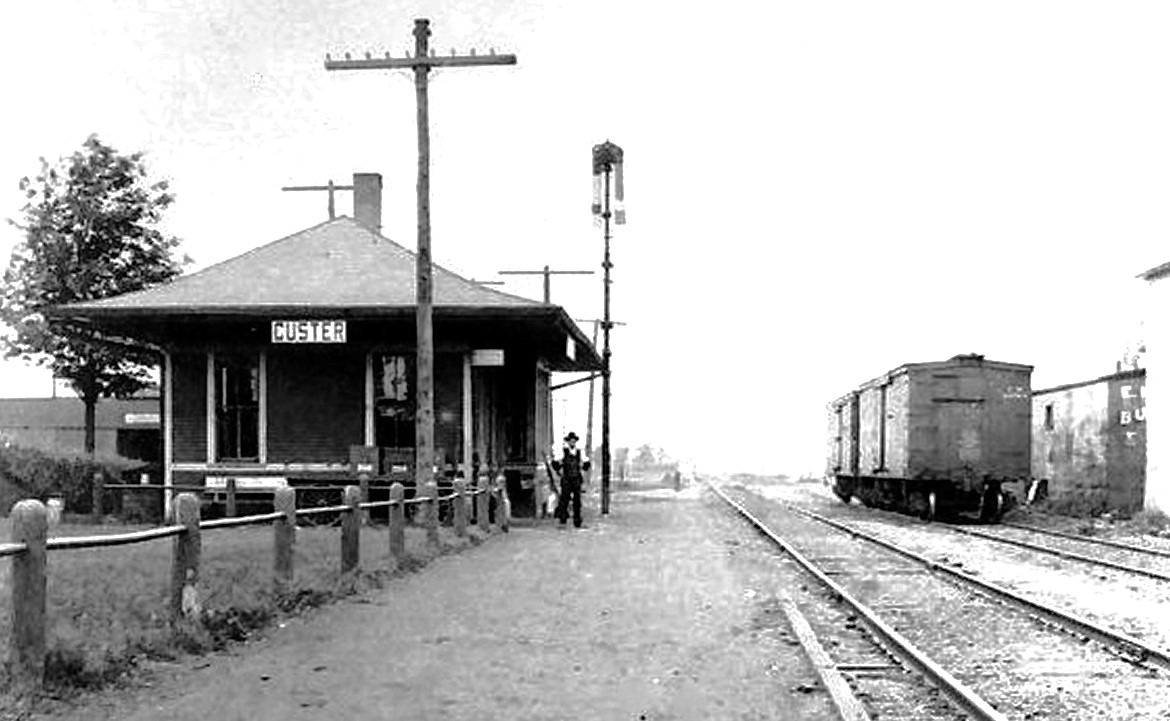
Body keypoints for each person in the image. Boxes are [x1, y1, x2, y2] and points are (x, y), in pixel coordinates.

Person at [552, 431, 590, 528]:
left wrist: (583, 467)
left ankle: (577, 521)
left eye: (574, 441)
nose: (572, 443)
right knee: (564, 499)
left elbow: (586, 463)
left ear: (575, 442)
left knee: (577, 500)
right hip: (566, 479)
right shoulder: (563, 452)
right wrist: (559, 470)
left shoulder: (579, 452)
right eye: (570, 441)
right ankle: (563, 521)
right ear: (568, 442)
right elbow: (555, 463)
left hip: (576, 479)